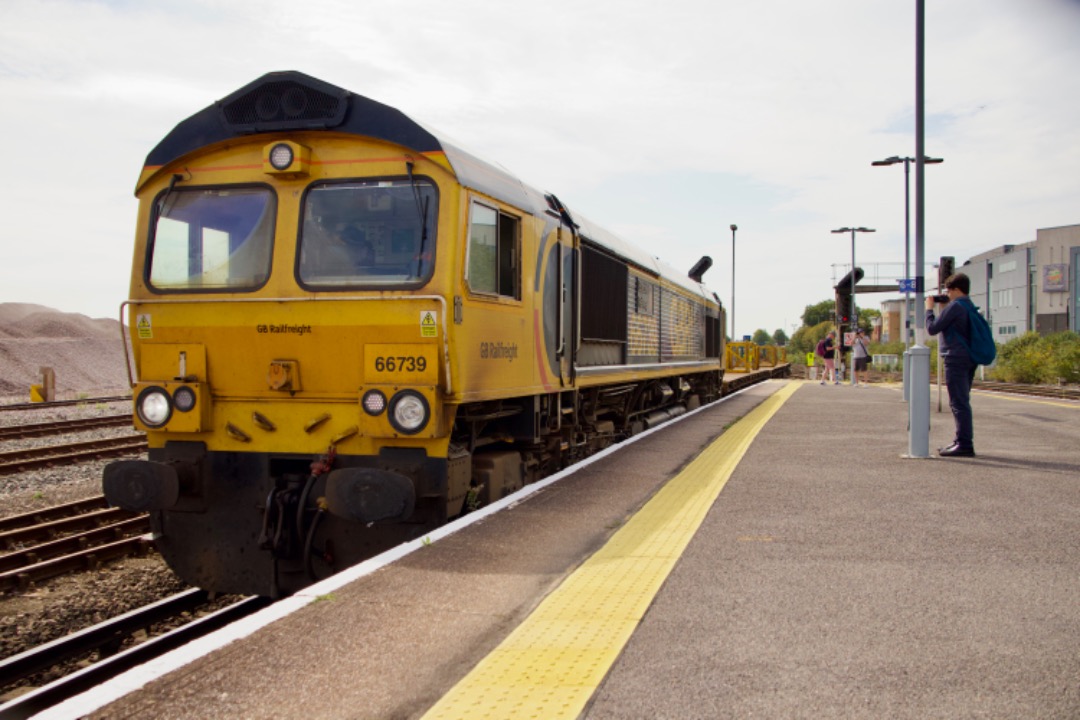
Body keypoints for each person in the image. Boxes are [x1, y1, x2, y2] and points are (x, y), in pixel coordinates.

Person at [926, 272, 976, 457]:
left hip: (955, 358)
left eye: (949, 290)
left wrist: (929, 309)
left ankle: (964, 444)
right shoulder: (969, 305)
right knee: (962, 401)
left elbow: (932, 328)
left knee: (958, 403)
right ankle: (960, 440)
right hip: (969, 358)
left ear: (956, 290)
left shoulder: (955, 306)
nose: (947, 294)